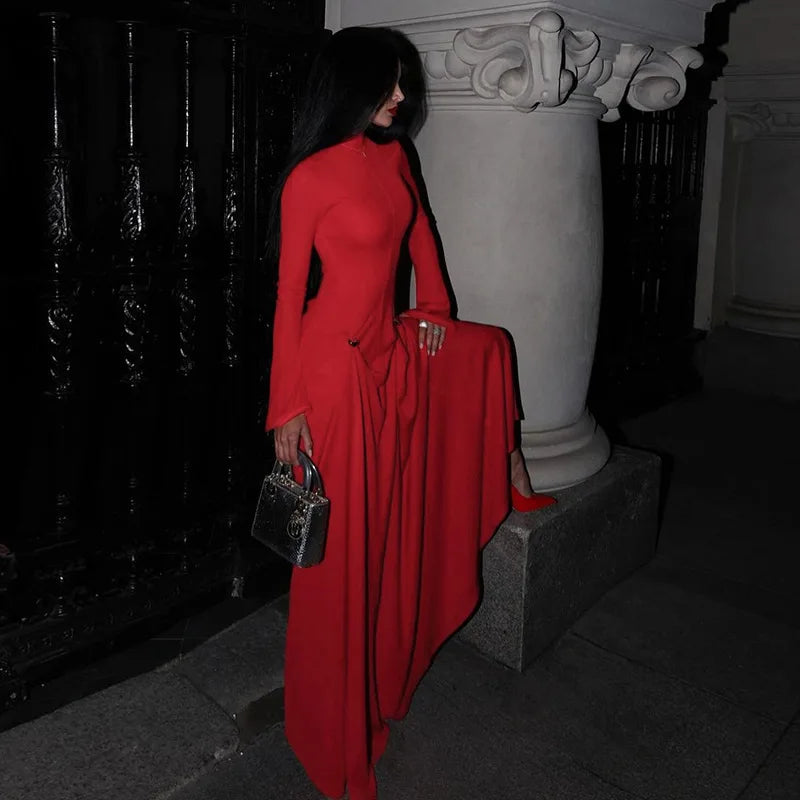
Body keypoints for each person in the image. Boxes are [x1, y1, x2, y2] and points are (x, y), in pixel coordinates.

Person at [265, 26, 555, 800]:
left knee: (381, 540)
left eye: (402, 83)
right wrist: (285, 405)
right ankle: (329, 733)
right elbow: (290, 299)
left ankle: (371, 690)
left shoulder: (396, 159)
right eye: (386, 84)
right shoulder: (311, 178)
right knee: (336, 561)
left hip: (389, 364)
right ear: (348, 88)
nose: (400, 98)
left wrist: (433, 309)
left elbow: (422, 234)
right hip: (329, 377)